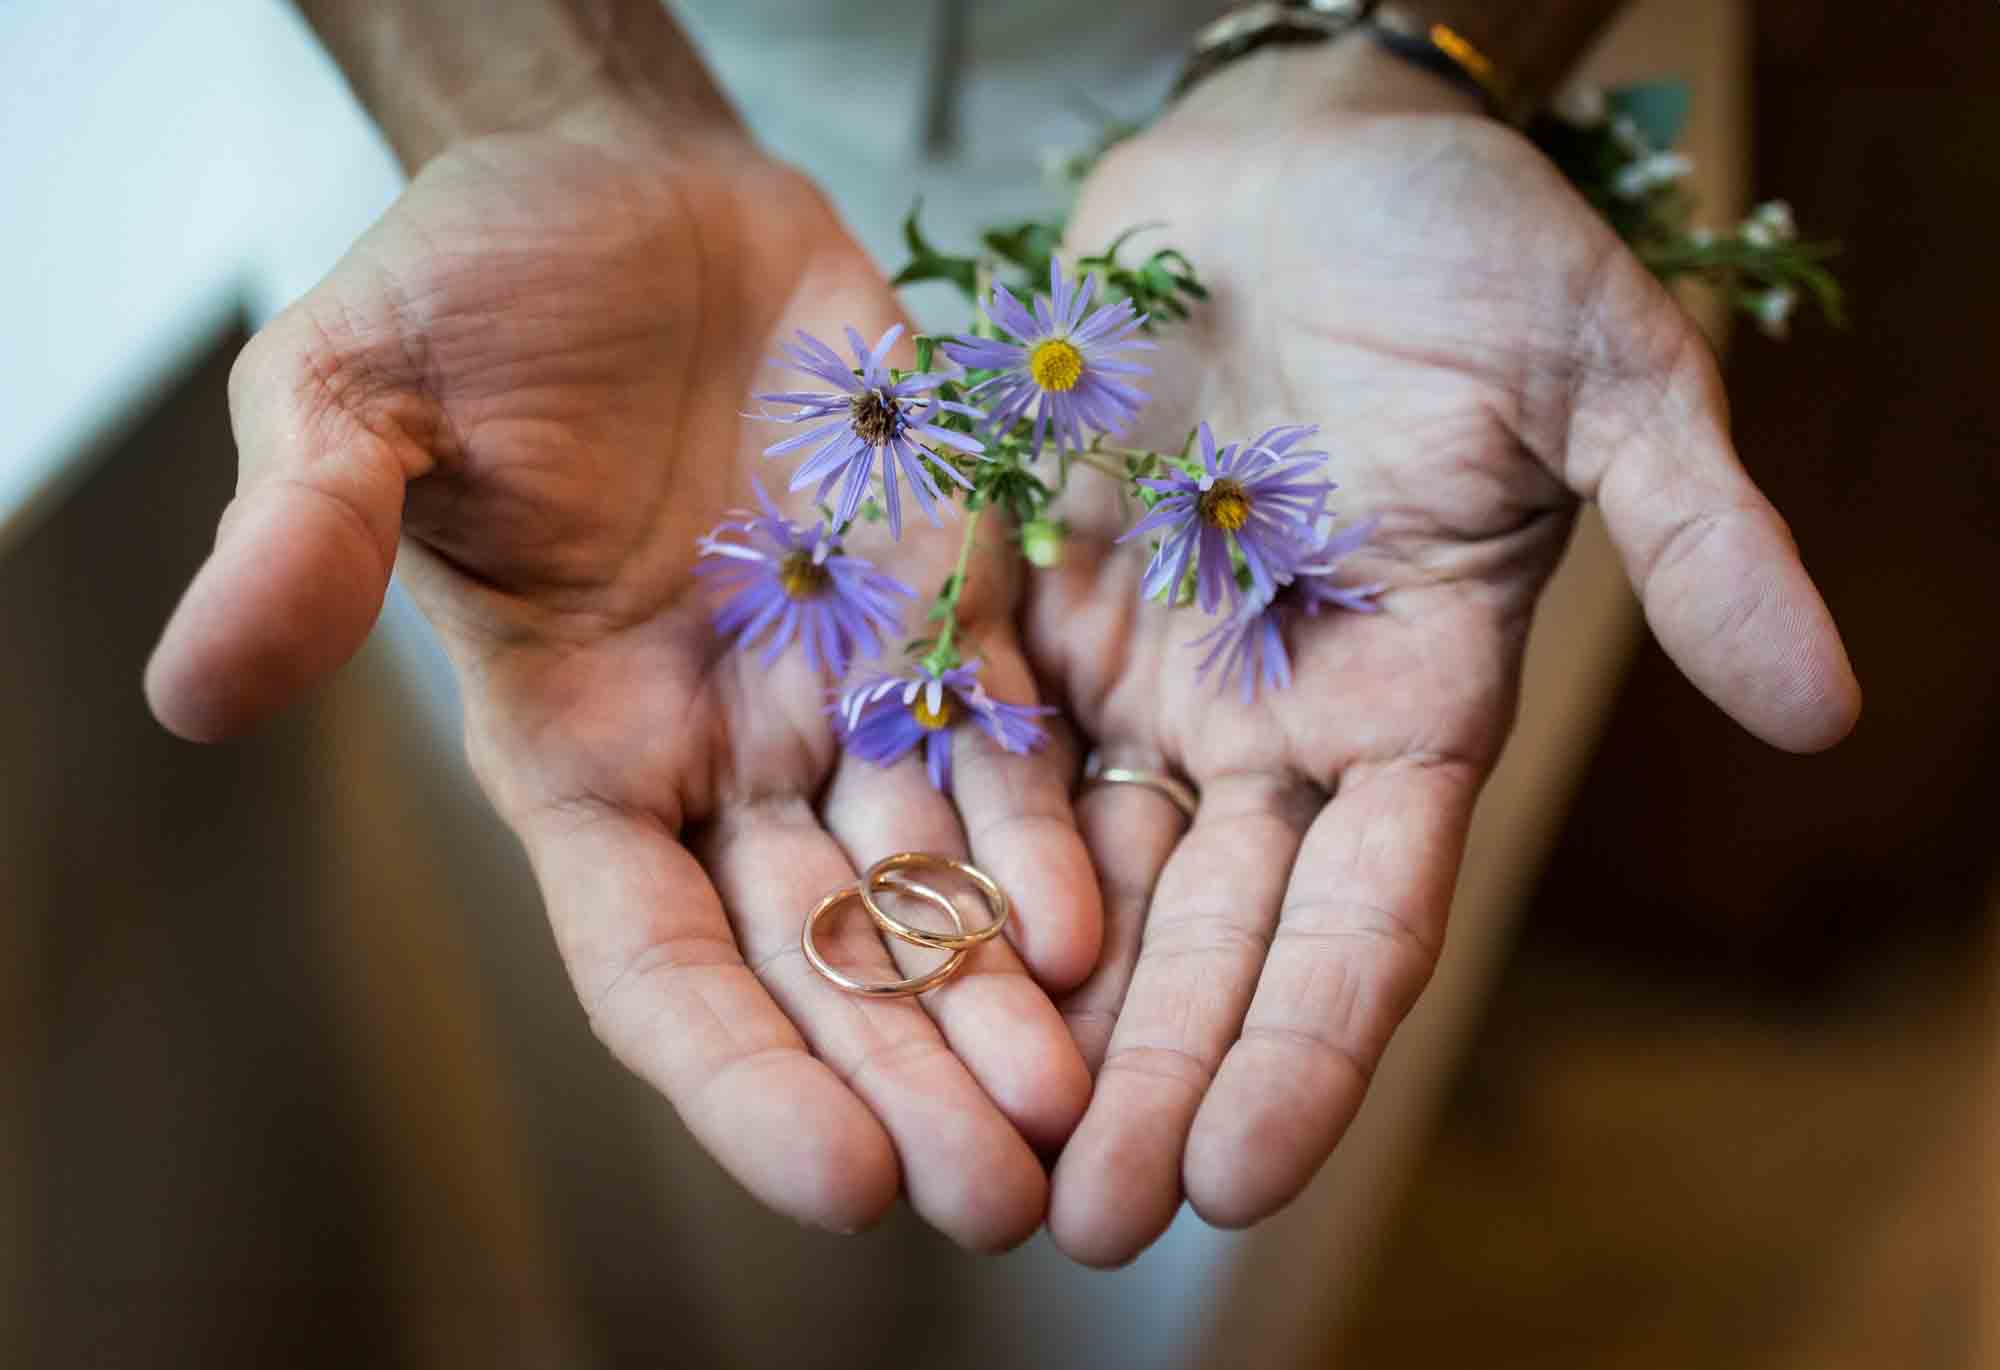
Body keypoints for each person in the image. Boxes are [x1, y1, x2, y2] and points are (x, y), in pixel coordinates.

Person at [142, 0, 1859, 1267]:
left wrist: (1388, 57)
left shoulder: (1281, 469)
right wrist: (552, 95)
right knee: (625, 1162)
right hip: (540, 167)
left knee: (1212, 1188)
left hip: (1382, 246)